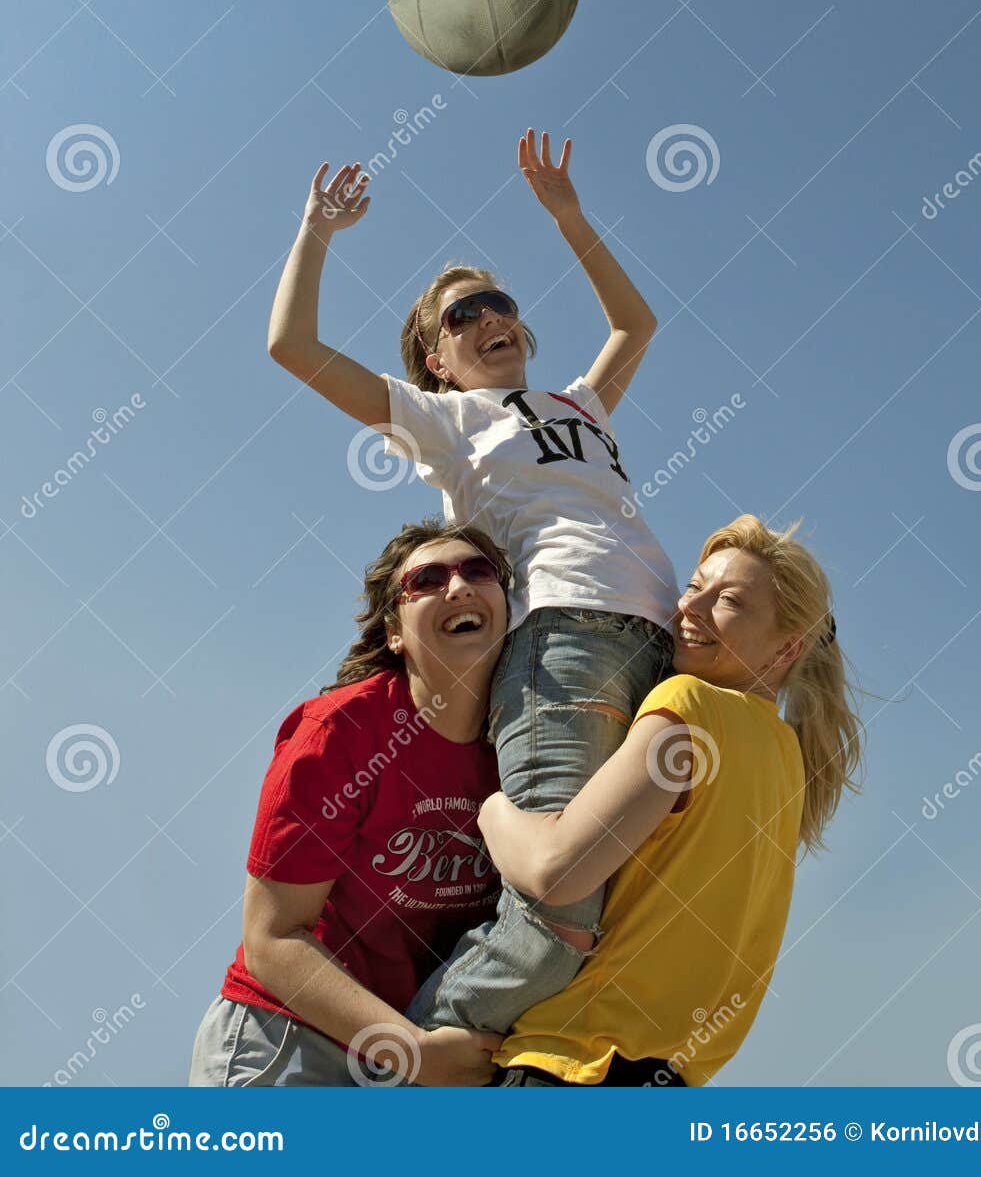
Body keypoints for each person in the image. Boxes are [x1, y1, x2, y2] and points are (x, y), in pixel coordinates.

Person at [266, 129, 678, 1037]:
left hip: (658, 642)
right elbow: (291, 347)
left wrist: (568, 217)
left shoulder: (577, 403)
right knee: (556, 916)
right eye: (460, 314)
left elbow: (636, 325)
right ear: (435, 361)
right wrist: (316, 233)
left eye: (497, 303)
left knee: (635, 909)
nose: (487, 316)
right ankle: (403, 1075)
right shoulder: (447, 419)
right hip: (563, 644)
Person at [477, 514, 865, 1087]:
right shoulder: (791, 761)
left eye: (728, 601)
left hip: (572, 1064)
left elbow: (555, 869)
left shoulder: (690, 704)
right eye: (693, 587)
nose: (691, 610)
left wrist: (490, 807)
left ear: (787, 648)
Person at [187, 520, 509, 1087]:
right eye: (428, 579)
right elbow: (274, 939)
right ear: (394, 632)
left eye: (478, 572)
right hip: (293, 1036)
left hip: (413, 1051)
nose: (458, 587)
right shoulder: (341, 733)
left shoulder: (523, 748)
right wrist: (411, 1050)